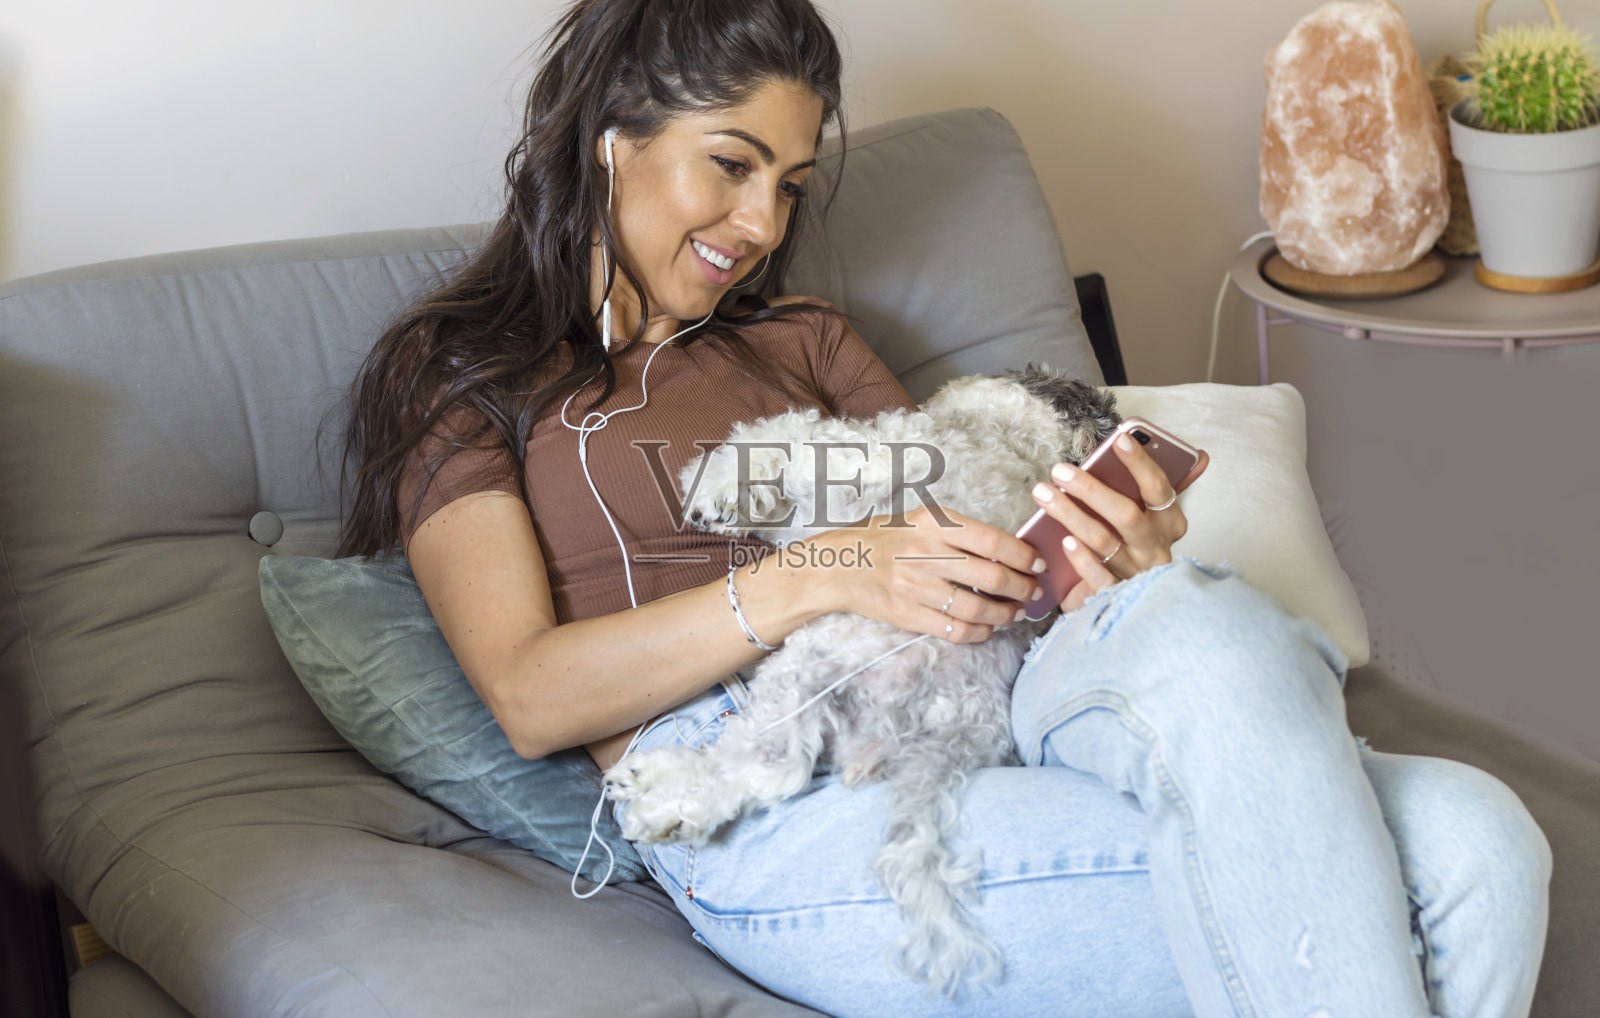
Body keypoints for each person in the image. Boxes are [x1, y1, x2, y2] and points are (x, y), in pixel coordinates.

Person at [338, 0, 1553, 1014]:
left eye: (790, 184)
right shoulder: (469, 375)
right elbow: (530, 693)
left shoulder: (804, 338)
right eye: (731, 164)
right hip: (762, 783)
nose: (761, 227)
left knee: (1309, 698)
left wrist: (1102, 556)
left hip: (995, 689)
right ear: (612, 136)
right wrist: (819, 568)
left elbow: (951, 520)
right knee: (1463, 865)